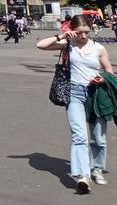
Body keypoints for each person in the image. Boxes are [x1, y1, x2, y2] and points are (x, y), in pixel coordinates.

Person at [37, 14, 114, 193]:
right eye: (79, 32)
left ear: (91, 29)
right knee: (79, 136)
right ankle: (83, 175)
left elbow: (109, 70)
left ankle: (96, 168)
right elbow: (40, 45)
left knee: (99, 139)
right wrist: (61, 36)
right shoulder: (67, 45)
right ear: (73, 30)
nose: (83, 36)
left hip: (96, 94)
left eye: (87, 32)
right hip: (74, 93)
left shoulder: (99, 48)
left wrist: (102, 78)